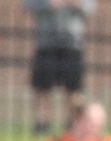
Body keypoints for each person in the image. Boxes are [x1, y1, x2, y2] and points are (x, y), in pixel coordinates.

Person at [25, 0, 94, 134]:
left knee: (73, 88)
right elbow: (27, 5)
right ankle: (42, 124)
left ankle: (72, 124)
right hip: (46, 42)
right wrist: (48, 3)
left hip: (72, 43)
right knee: (42, 86)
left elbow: (90, 7)